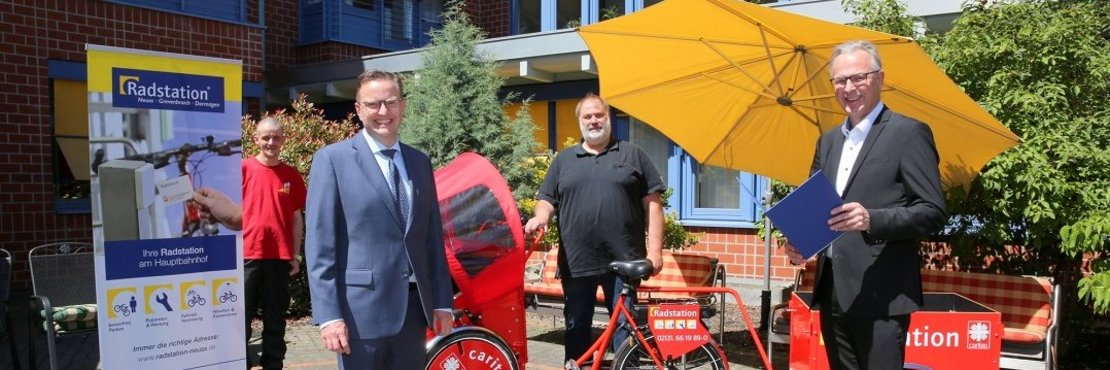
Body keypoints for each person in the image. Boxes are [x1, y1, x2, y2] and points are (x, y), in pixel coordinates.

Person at [789, 40, 947, 370]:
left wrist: (870, 219)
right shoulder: (828, 141)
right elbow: (817, 210)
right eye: (840, 80)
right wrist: (801, 244)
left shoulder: (909, 133)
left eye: (858, 77)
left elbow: (932, 212)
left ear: (879, 78)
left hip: (882, 294)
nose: (849, 88)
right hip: (832, 289)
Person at [304, 69, 452, 370]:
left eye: (391, 102)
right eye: (373, 104)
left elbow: (431, 238)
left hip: (413, 313)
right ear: (358, 110)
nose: (383, 111)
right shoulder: (332, 160)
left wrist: (442, 301)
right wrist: (329, 316)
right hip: (359, 316)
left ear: (403, 106)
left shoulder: (419, 162)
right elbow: (320, 246)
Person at [523, 93, 666, 363]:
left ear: (608, 118)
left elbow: (654, 206)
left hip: (624, 259)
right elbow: (546, 199)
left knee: (624, 328)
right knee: (576, 326)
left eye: (598, 115)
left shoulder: (633, 154)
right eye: (587, 116)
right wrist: (540, 217)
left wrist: (655, 251)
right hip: (578, 260)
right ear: (579, 121)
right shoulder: (564, 160)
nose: (593, 121)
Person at [240, 117, 306, 370]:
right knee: (240, 318)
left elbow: (296, 218)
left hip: (279, 258)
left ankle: (273, 364)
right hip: (246, 255)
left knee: (275, 319)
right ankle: (241, 363)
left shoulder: (291, 175)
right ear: (255, 139)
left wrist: (295, 255)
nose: (270, 142)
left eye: (276, 137)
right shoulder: (243, 168)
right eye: (266, 137)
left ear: (283, 141)